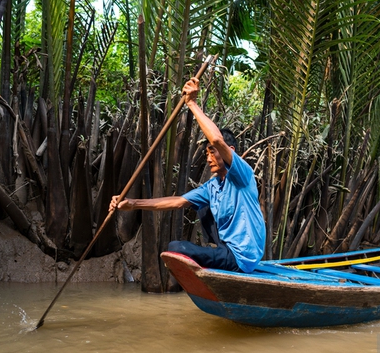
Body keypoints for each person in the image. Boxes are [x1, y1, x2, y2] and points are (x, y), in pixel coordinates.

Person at [109, 77, 266, 273]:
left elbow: (217, 139)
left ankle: (221, 260)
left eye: (212, 152)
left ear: (230, 150)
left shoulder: (242, 174)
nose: (209, 158)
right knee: (200, 207)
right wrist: (133, 204)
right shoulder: (214, 186)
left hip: (243, 256)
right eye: (206, 153)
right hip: (227, 249)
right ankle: (217, 253)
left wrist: (191, 103)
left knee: (177, 248)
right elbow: (176, 202)